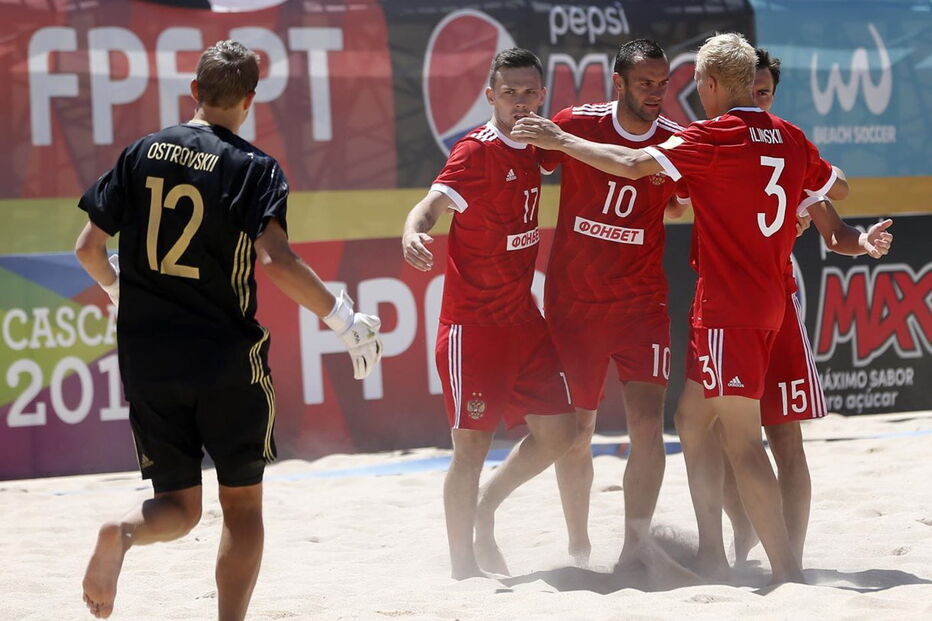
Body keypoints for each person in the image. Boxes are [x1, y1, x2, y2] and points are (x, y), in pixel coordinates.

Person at [511, 32, 849, 584]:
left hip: (728, 306)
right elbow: (840, 187)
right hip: (774, 301)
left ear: (711, 84)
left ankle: (787, 572)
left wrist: (562, 141)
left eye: (692, 86)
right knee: (693, 421)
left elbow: (630, 162)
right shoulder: (790, 137)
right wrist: (789, 209)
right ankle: (715, 551)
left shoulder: (710, 137)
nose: (686, 96)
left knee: (744, 442)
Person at [76, 40, 383, 620]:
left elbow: (88, 249)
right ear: (249, 100)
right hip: (224, 358)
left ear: (193, 91)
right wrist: (342, 318)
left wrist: (124, 292)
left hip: (147, 356)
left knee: (179, 507)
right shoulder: (254, 167)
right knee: (241, 509)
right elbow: (279, 262)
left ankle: (123, 532)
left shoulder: (140, 152)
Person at [674, 48, 895, 572]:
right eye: (749, 88)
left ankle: (786, 559)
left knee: (777, 435)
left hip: (765, 303)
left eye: (764, 92)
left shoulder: (778, 147)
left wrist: (861, 241)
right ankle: (735, 542)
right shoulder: (722, 145)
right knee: (701, 422)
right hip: (729, 302)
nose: (755, 97)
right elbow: (672, 198)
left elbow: (836, 219)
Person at [402, 48, 576, 579]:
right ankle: (463, 568)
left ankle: (485, 506)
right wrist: (413, 231)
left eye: (529, 92)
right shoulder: (475, 151)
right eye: (510, 93)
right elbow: (431, 203)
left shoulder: (540, 142)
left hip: (523, 320)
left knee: (561, 433)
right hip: (473, 328)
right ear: (490, 97)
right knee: (469, 450)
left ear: (542, 95)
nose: (520, 102)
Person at [538, 39, 685, 568]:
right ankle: (578, 544)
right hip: (575, 304)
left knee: (649, 425)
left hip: (642, 303)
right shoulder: (574, 120)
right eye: (646, 83)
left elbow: (675, 201)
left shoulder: (674, 139)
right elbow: (523, 170)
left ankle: (636, 546)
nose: (657, 93)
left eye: (664, 83)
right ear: (618, 83)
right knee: (577, 430)